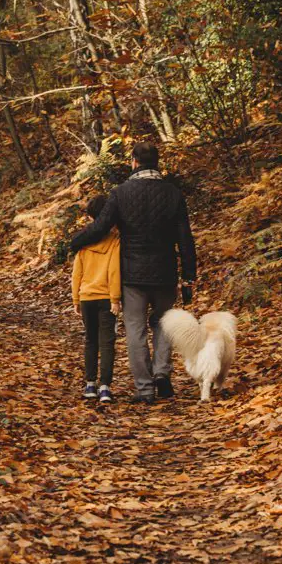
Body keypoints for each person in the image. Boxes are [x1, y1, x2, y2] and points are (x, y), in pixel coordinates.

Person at [70, 141, 197, 404]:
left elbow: (102, 227)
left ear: (134, 162)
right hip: (165, 272)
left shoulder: (120, 193)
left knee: (136, 329)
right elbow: (186, 238)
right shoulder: (173, 194)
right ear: (157, 162)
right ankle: (162, 372)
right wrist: (189, 274)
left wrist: (76, 241)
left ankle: (144, 389)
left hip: (132, 274)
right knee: (164, 325)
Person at [71, 195, 121, 403]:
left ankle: (89, 384)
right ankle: (105, 387)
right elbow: (114, 271)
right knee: (107, 342)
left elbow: (77, 273)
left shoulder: (84, 242)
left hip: (86, 297)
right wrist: (115, 299)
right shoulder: (115, 242)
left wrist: (76, 299)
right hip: (105, 297)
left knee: (90, 340)